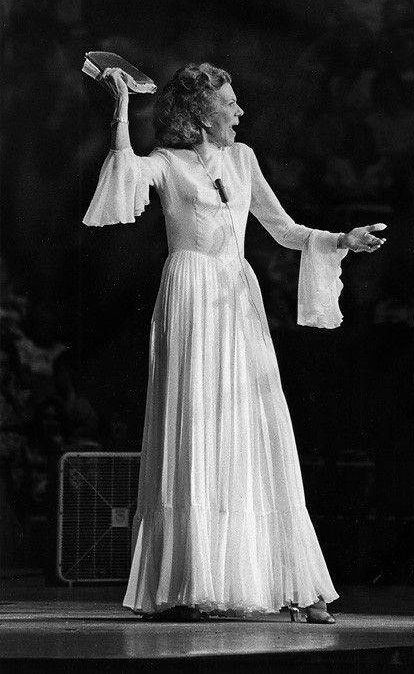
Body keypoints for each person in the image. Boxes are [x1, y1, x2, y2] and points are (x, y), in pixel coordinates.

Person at [82, 62, 386, 623]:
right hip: (191, 295)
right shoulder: (169, 164)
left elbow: (285, 229)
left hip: (234, 294)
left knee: (256, 426)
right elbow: (124, 176)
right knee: (195, 428)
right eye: (230, 101)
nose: (240, 110)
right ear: (201, 113)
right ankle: (190, 584)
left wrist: (344, 239)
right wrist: (122, 107)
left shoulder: (242, 159)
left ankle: (295, 585)